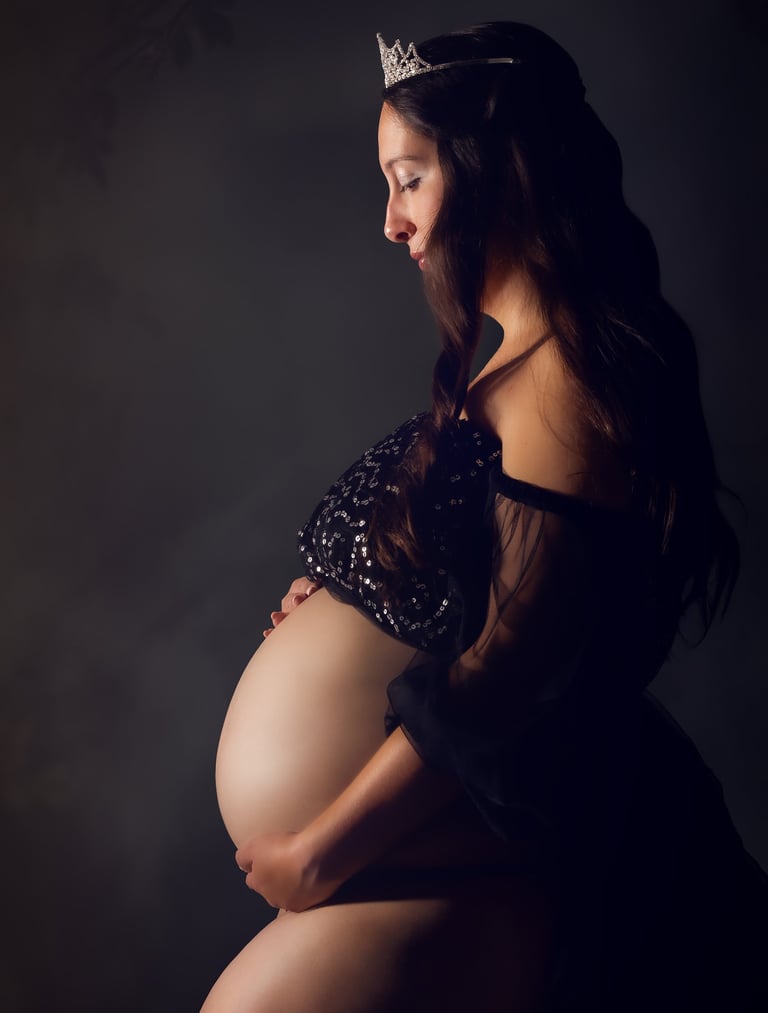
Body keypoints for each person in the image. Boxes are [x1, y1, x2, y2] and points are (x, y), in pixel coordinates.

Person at [203, 23, 766, 1012]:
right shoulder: (510, 361)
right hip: (419, 846)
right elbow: (481, 586)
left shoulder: (569, 383)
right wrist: (361, 581)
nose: (392, 221)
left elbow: (510, 672)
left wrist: (316, 851)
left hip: (485, 850)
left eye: (410, 178)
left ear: (500, 169)